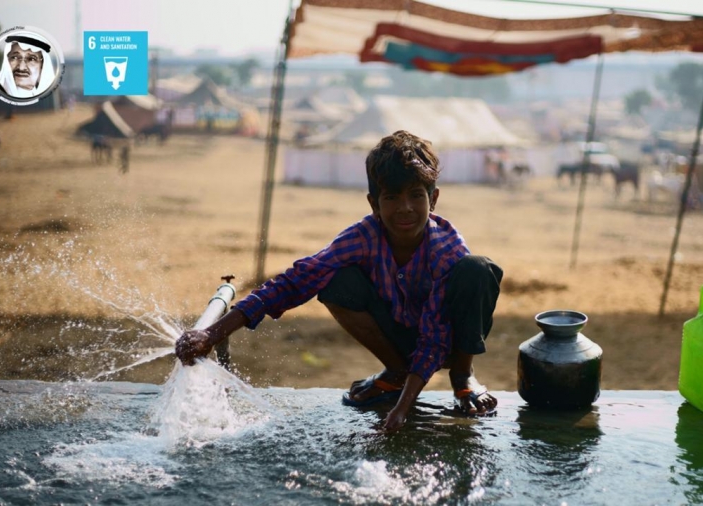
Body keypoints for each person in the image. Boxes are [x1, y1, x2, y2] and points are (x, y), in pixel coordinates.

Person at [175, 130, 503, 431]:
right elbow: (293, 283)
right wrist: (211, 334)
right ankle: (396, 372)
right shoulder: (362, 237)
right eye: (391, 198)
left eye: (416, 195)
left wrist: (402, 409)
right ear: (373, 203)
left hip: (447, 342)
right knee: (333, 278)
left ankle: (464, 377)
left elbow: (435, 335)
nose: (405, 208)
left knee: (476, 269)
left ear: (434, 199)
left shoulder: (446, 250)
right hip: (398, 337)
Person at [0, 33, 56, 99]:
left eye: (31, 59)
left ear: (42, 66)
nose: (21, 68)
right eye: (15, 57)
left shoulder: (46, 99)